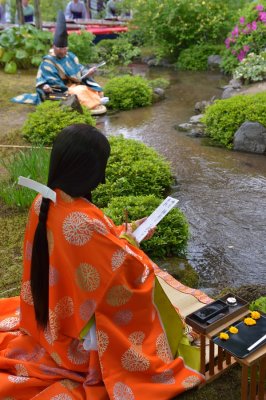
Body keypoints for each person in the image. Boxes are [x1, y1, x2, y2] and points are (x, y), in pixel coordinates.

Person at [0, 123, 207, 399]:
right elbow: (126, 271)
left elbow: (94, 244)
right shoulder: (81, 219)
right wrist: (131, 244)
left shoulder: (45, 200)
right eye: (101, 169)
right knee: (142, 285)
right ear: (86, 170)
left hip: (57, 309)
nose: (103, 178)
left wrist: (128, 231)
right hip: (81, 332)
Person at [12, 11, 107, 115]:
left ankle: (94, 101)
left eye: (64, 48)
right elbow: (50, 81)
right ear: (54, 47)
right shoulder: (48, 61)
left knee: (93, 88)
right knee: (80, 91)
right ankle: (91, 104)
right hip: (61, 89)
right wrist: (47, 87)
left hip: (75, 84)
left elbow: (79, 69)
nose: (62, 51)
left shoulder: (70, 56)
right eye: (59, 49)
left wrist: (87, 72)